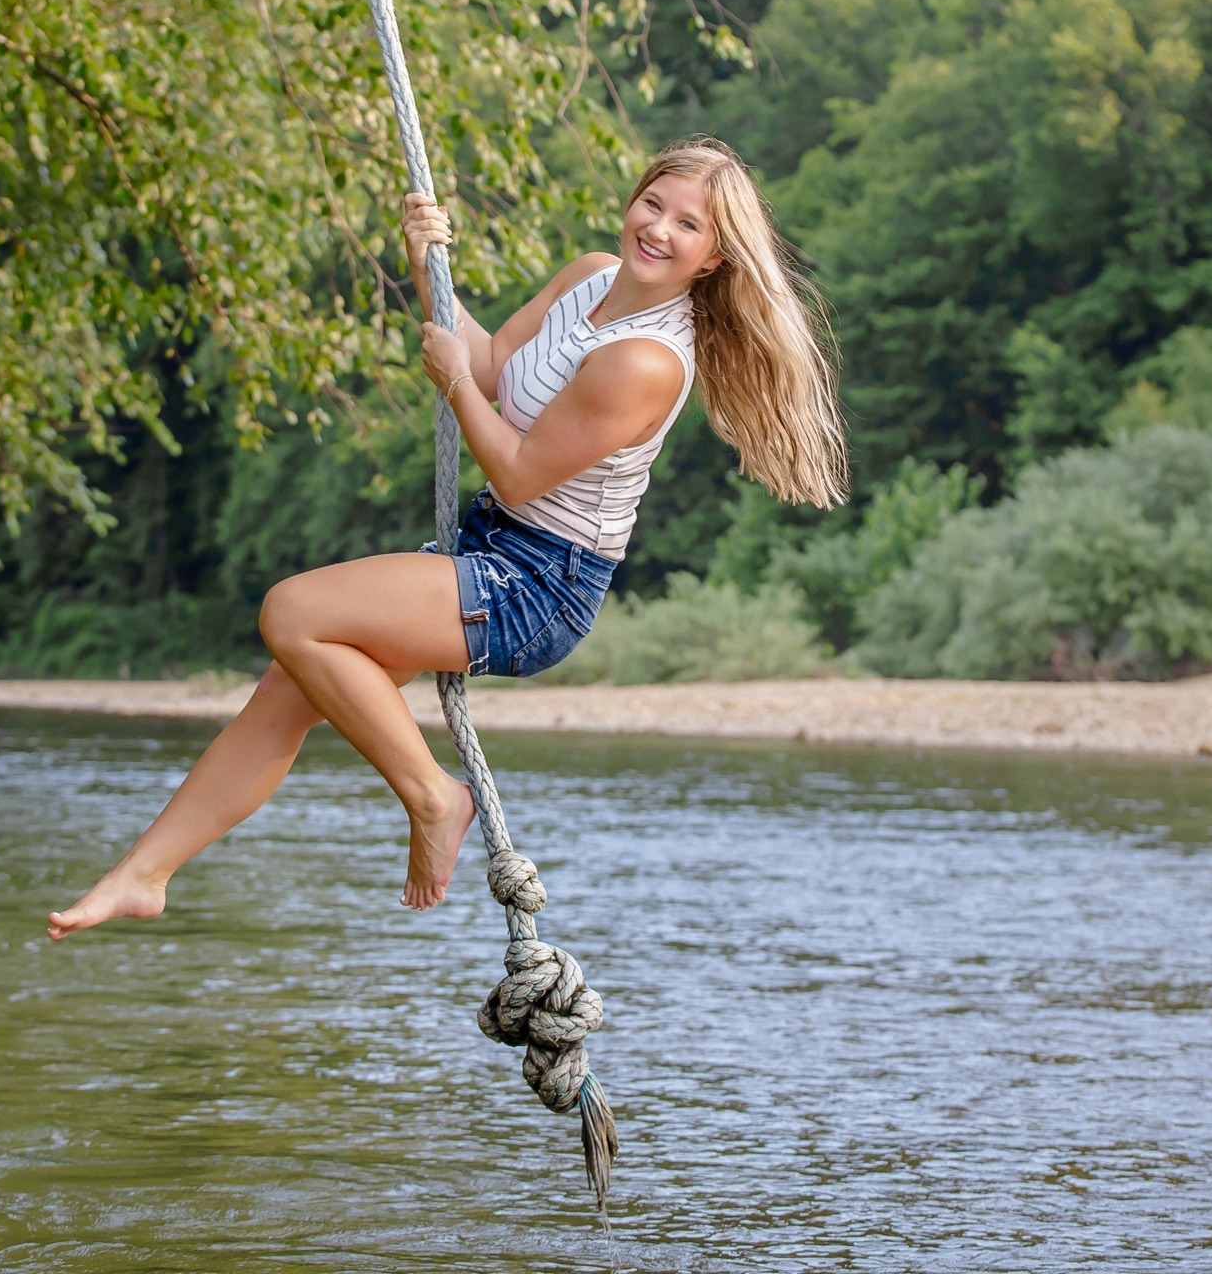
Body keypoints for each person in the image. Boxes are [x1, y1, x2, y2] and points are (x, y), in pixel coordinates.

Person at [45, 137, 847, 939]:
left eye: (689, 225)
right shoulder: (588, 276)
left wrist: (454, 383)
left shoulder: (645, 361)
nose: (659, 230)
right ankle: (143, 876)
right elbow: (496, 362)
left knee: (292, 613)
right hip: (491, 544)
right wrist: (427, 263)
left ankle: (435, 796)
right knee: (286, 688)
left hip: (540, 585)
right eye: (653, 204)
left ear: (712, 259)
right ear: (633, 198)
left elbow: (521, 471)